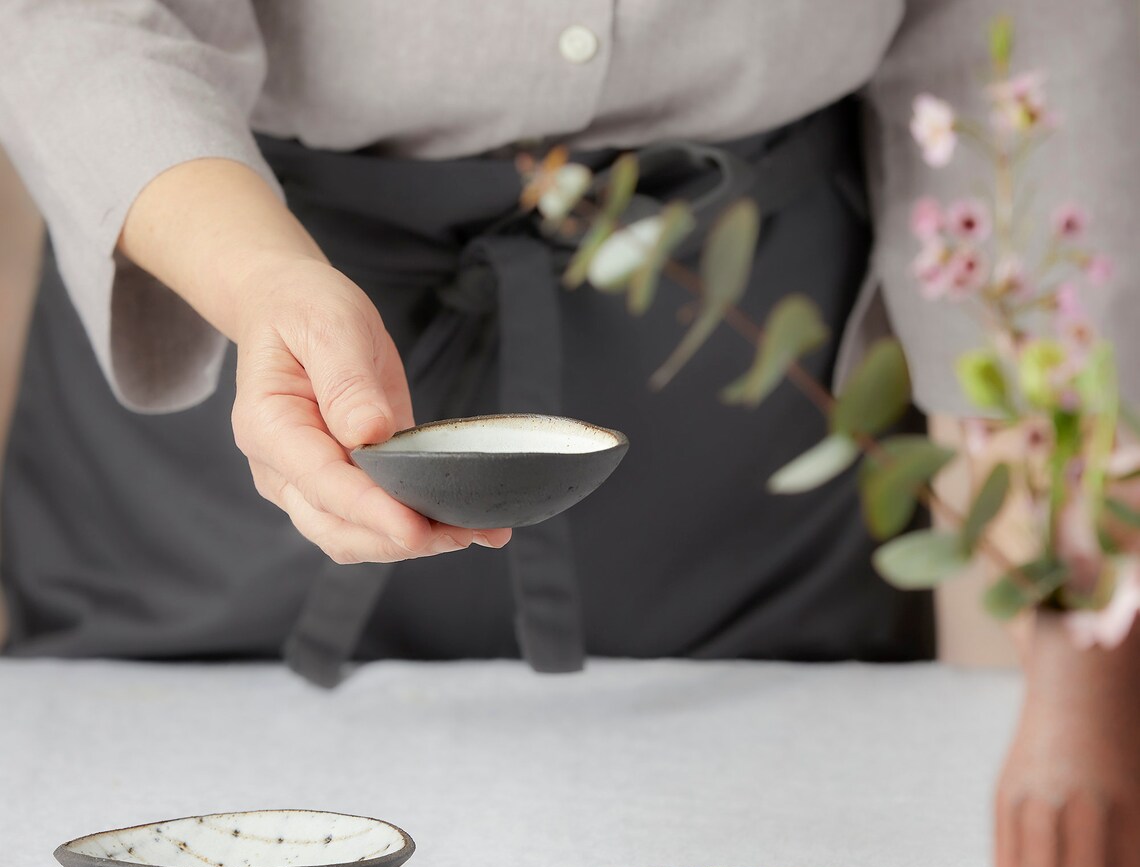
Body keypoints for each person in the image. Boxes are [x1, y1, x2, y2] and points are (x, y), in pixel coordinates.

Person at [0, 1, 1134, 685]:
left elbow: (1025, 35)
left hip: (752, 409)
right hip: (235, 338)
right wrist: (261, 280)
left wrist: (1055, 472)